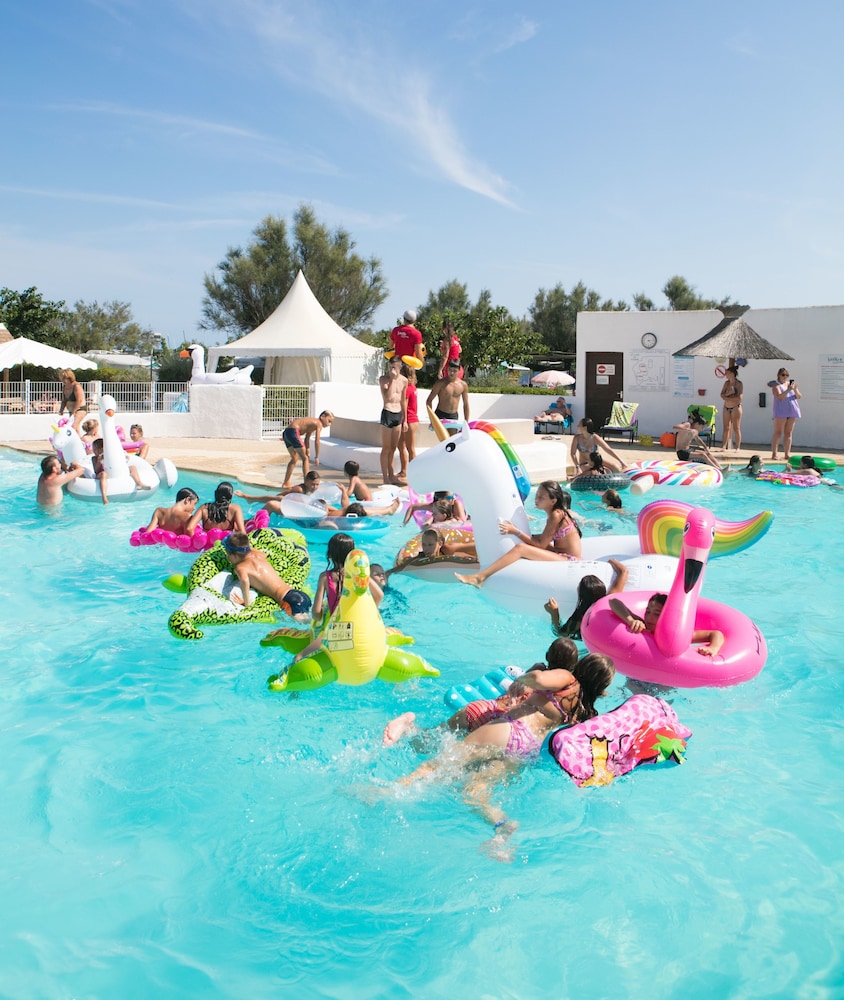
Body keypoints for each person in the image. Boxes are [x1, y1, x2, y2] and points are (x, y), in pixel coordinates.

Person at [384, 645, 616, 849]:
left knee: (442, 762)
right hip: (526, 749)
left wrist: (523, 678)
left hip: (510, 729)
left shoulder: (568, 678)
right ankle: (502, 825)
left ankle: (389, 792)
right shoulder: (583, 709)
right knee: (474, 792)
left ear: (583, 666)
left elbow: (538, 679)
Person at [456, 480, 582, 589]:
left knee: (520, 548)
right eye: (537, 495)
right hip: (560, 553)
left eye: (541, 497)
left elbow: (541, 545)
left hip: (569, 559)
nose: (536, 499)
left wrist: (516, 531)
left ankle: (480, 577)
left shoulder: (556, 515)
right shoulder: (556, 513)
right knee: (525, 541)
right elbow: (544, 538)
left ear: (553, 501)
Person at [221, 532, 311, 620]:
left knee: (305, 625)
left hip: (288, 601)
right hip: (298, 594)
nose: (227, 558)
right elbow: (260, 553)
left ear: (234, 556)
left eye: (227, 554)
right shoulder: (258, 554)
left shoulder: (240, 567)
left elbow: (244, 580)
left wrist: (246, 603)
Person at [608, 593, 724, 656]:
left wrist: (713, 648)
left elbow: (715, 634)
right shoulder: (642, 625)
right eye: (647, 612)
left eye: (657, 614)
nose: (649, 617)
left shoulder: (675, 636)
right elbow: (613, 601)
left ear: (667, 617)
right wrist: (630, 620)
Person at [544, 559, 628, 640]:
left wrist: (554, 613)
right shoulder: (608, 603)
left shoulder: (581, 618)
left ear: (580, 593)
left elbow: (559, 633)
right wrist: (612, 561)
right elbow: (623, 572)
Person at [280, 412, 334, 489]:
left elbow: (307, 438)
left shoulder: (312, 422)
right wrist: (317, 457)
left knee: (294, 458)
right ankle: (308, 483)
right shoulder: (318, 423)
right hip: (294, 431)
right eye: (329, 421)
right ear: (322, 416)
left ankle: (286, 482)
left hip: (286, 433)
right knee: (305, 458)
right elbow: (317, 441)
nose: (329, 424)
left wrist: (307, 449)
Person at [90, 438, 150, 504]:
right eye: (94, 449)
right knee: (104, 474)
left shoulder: (110, 455)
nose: (94, 451)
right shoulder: (94, 458)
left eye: (95, 449)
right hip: (101, 475)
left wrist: (123, 458)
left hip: (113, 473)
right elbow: (96, 471)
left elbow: (119, 463)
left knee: (132, 467)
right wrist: (99, 461)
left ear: (102, 449)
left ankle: (139, 483)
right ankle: (104, 497)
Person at [378, 355, 408, 485]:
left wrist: (405, 419)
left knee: (393, 448)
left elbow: (403, 400)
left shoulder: (404, 381)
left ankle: (392, 475)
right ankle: (385, 476)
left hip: (398, 414)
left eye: (395, 367)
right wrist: (392, 379)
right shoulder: (384, 380)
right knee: (386, 448)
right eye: (390, 367)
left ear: (400, 367)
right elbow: (388, 397)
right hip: (388, 412)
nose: (392, 369)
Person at [236, 471, 322, 514]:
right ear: (306, 482)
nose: (315, 487)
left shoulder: (310, 490)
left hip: (292, 503)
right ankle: (249, 497)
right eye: (313, 484)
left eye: (317, 485)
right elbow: (286, 497)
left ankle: (250, 498)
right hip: (282, 500)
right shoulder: (299, 490)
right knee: (280, 498)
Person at [427, 360, 470, 432]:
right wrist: (432, 418)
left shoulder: (463, 385)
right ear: (447, 369)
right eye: (450, 370)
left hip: (453, 416)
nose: (452, 373)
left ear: (459, 370)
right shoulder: (440, 383)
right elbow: (429, 401)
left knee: (452, 440)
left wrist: (466, 421)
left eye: (454, 371)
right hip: (440, 414)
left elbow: (465, 404)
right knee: (444, 440)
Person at [769, 368, 802, 461]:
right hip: (781, 411)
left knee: (788, 433)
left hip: (792, 411)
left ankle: (787, 454)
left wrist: (794, 389)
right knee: (778, 432)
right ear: (779, 375)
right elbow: (779, 397)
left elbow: (799, 396)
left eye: (786, 375)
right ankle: (774, 454)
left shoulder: (790, 385)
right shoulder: (776, 386)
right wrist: (788, 390)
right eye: (783, 375)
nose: (785, 377)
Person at [398, 364, 419, 482]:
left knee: (410, 448)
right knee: (401, 446)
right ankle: (404, 470)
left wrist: (404, 421)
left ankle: (412, 473)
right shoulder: (413, 387)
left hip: (409, 420)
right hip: (412, 419)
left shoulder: (407, 388)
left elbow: (404, 405)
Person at [403, 491, 468, 526]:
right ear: (440, 500)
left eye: (453, 496)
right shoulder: (435, 506)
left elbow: (462, 522)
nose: (453, 499)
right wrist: (404, 523)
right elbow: (412, 507)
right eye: (450, 498)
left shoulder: (456, 504)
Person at [719, 365, 744, 451]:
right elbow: (722, 395)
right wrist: (728, 394)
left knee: (736, 428)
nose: (726, 374)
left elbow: (739, 397)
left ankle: (738, 447)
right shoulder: (726, 383)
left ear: (732, 374)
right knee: (726, 427)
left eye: (728, 373)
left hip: (735, 407)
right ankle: (723, 446)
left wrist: (727, 398)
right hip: (726, 407)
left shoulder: (739, 384)